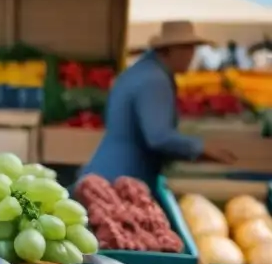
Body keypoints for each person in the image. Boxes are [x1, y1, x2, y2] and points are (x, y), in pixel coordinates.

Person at [82, 21, 237, 190]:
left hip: (109, 174)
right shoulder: (154, 80)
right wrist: (202, 147)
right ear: (168, 50)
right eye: (187, 49)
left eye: (193, 49)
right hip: (119, 180)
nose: (191, 56)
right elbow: (159, 137)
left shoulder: (141, 71)